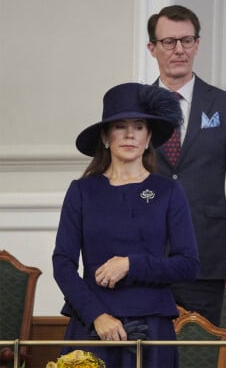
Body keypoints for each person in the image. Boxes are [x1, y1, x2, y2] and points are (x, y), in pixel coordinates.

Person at [52, 83, 200, 368]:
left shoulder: (168, 191)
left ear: (148, 138)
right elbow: (63, 263)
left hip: (152, 328)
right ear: (106, 137)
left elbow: (188, 264)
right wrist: (97, 315)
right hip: (93, 326)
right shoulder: (82, 191)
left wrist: (131, 264)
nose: (130, 134)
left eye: (139, 126)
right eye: (120, 126)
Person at [146, 5, 226, 325]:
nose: (179, 49)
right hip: (145, 259)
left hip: (205, 259)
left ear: (197, 44)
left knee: (200, 354)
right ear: (152, 48)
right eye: (169, 42)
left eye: (187, 40)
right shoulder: (136, 107)